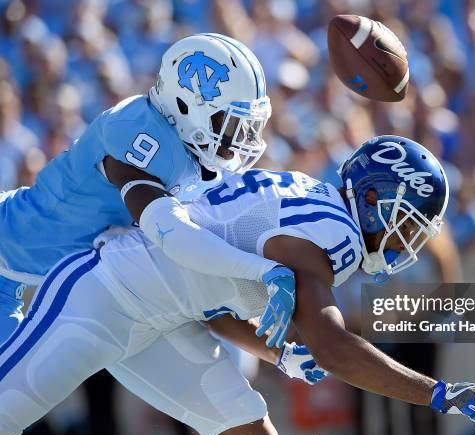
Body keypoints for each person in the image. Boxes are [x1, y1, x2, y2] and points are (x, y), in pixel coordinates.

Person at [0, 135, 475, 435]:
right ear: (375, 199)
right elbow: (334, 347)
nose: (407, 242)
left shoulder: (309, 199)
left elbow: (210, 299)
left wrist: (273, 351)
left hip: (166, 322)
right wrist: (438, 393)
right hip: (103, 293)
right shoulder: (332, 234)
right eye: (407, 222)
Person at [0, 34, 295, 347]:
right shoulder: (141, 133)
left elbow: (198, 287)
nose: (239, 140)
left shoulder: (191, 161)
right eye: (230, 122)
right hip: (10, 258)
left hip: (57, 281)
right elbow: (174, 235)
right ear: (187, 104)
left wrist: (275, 353)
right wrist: (261, 270)